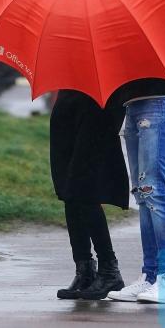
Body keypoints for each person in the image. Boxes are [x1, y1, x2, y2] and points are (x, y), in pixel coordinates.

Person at [107, 37, 165, 304]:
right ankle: (151, 275)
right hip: (135, 101)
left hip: (163, 99)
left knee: (153, 190)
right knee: (143, 194)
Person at [50, 89, 128, 300]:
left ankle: (109, 270)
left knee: (84, 189)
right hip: (68, 104)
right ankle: (84, 270)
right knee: (68, 191)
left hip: (98, 107)